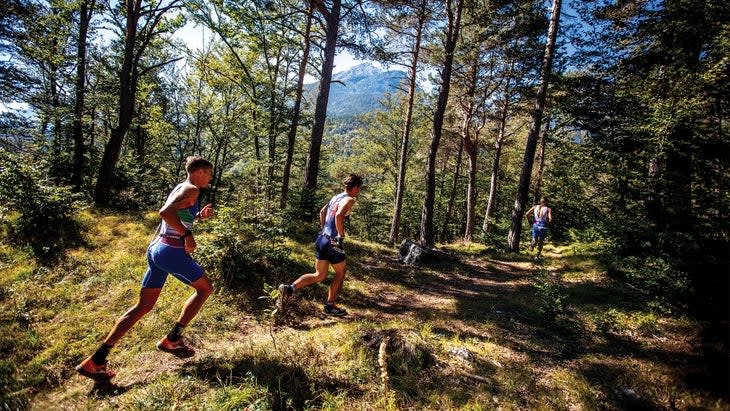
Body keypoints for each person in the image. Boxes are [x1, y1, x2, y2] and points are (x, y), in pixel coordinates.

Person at [75, 156, 215, 380]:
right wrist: (188, 235)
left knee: (142, 306)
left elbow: (178, 213)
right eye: (208, 173)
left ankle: (96, 360)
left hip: (157, 249)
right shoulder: (192, 189)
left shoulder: (183, 187)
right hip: (171, 251)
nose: (210, 177)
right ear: (198, 171)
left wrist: (198, 216)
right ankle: (173, 339)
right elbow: (165, 213)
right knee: (205, 289)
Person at [278, 174, 363, 317]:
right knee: (341, 272)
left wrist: (324, 230)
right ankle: (330, 306)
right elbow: (339, 215)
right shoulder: (349, 199)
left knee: (319, 275)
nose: (359, 191)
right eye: (359, 188)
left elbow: (322, 211)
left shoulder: (336, 197)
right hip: (332, 241)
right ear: (354, 187)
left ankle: (290, 288)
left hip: (322, 238)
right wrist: (340, 236)